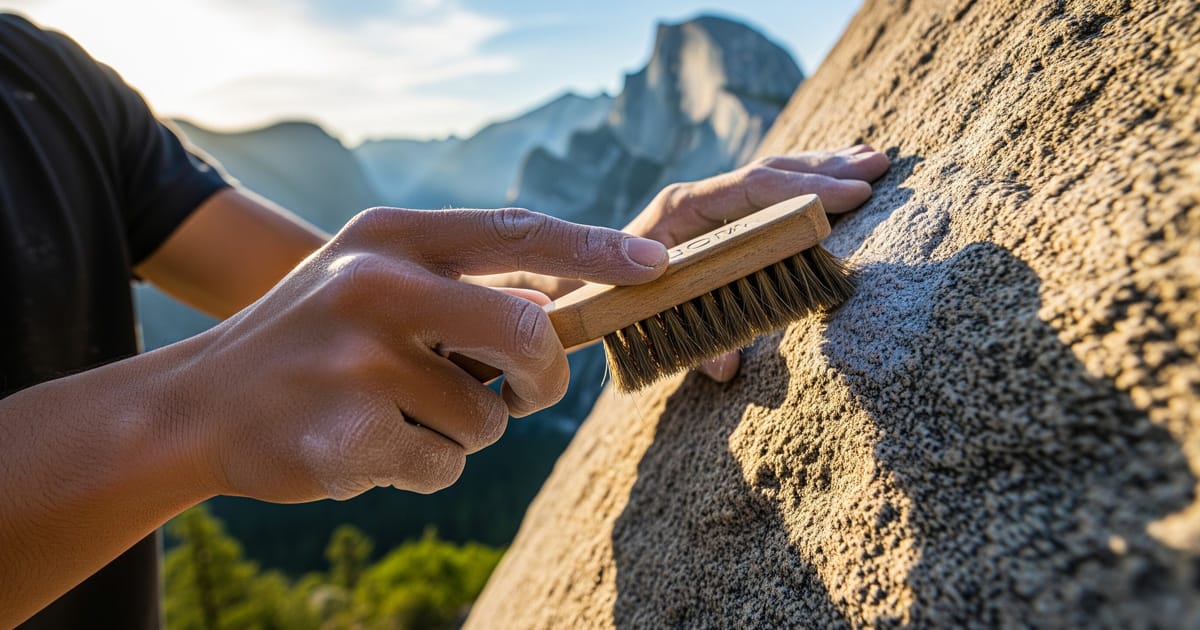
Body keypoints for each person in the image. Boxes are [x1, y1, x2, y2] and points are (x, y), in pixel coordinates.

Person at [0, 12, 890, 628]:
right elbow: (266, 359)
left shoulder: (48, 85)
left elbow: (350, 312)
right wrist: (192, 412)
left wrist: (623, 270)